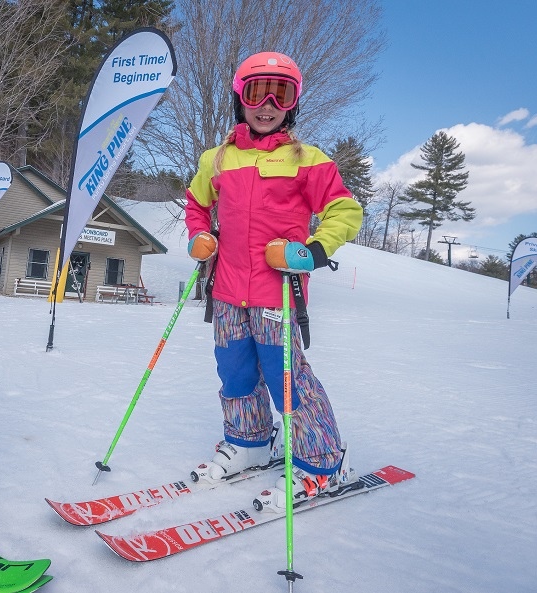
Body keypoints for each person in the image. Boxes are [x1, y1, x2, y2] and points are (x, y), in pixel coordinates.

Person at [185, 52, 363, 507]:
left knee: (287, 379)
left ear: (292, 104)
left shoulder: (308, 159)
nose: (266, 103)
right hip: (225, 290)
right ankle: (249, 442)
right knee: (235, 371)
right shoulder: (216, 158)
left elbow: (346, 210)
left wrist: (312, 252)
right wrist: (200, 236)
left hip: (277, 290)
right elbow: (196, 204)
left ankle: (323, 462)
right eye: (256, 91)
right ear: (239, 98)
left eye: (280, 93)